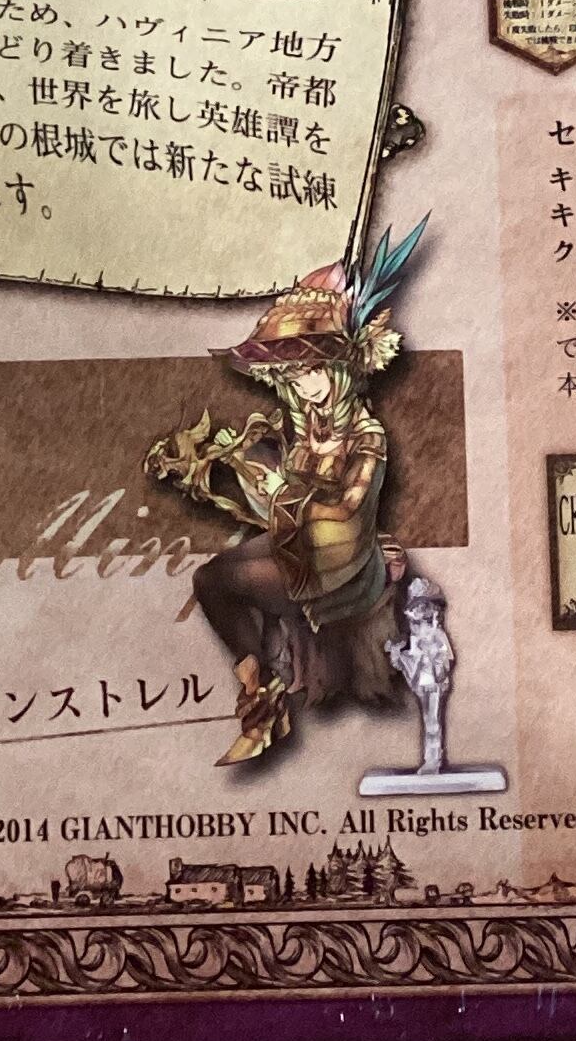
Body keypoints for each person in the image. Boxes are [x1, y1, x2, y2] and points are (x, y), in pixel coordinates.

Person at [148, 223, 425, 764]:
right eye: (295, 375)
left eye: (314, 371)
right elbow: (274, 504)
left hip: (344, 567)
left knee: (222, 583)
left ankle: (264, 703)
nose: (305, 385)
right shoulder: (301, 429)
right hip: (304, 550)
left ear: (341, 370)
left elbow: (346, 515)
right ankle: (259, 691)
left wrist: (280, 493)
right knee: (210, 578)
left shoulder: (366, 436)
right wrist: (221, 473)